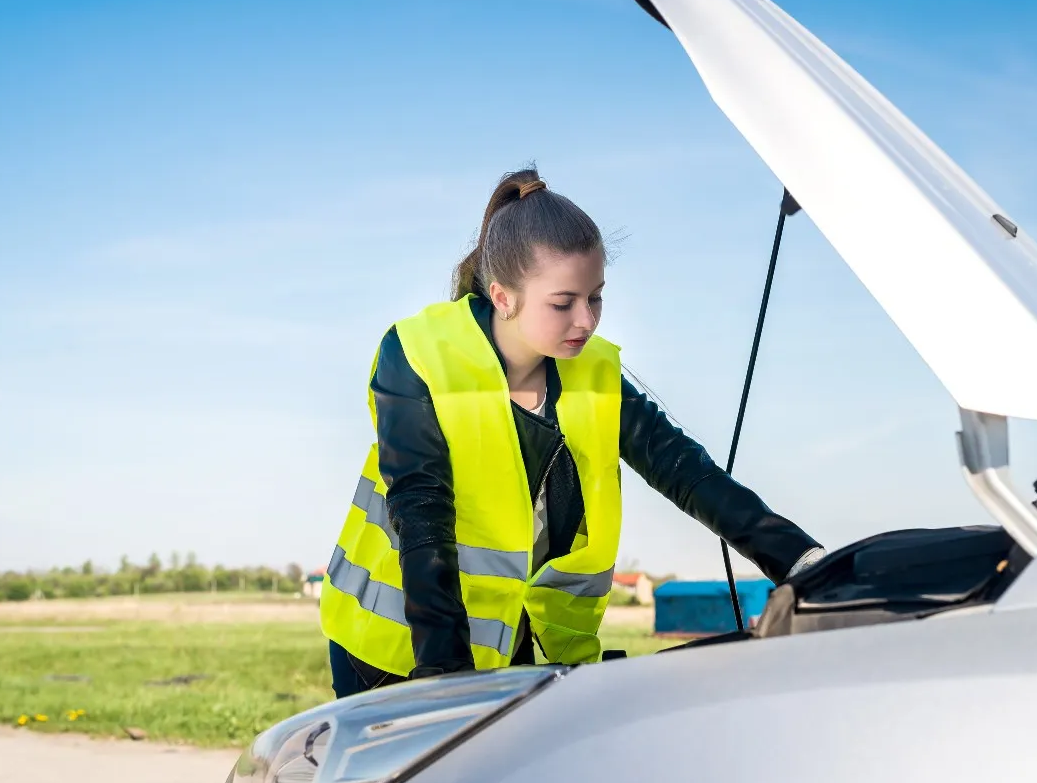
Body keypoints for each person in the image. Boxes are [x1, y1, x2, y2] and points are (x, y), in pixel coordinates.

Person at [319, 167, 825, 697]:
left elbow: (687, 472)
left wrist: (802, 562)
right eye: (563, 303)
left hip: (504, 645)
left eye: (596, 298)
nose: (586, 321)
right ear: (503, 297)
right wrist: (445, 674)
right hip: (393, 647)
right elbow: (422, 514)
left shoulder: (594, 372)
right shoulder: (419, 356)